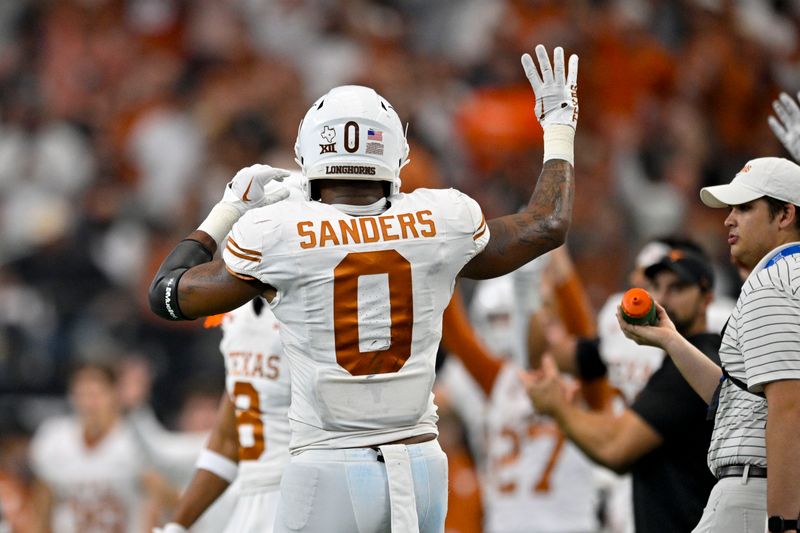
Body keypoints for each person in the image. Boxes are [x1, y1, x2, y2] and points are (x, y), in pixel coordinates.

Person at [148, 44, 579, 533]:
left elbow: (165, 294)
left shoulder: (277, 231)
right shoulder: (441, 218)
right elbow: (548, 224)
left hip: (328, 465)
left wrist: (225, 212)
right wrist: (558, 126)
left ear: (309, 153)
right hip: (421, 466)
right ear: (396, 152)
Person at [617, 157, 800, 533]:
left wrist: (784, 524)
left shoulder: (774, 283)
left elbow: (789, 405)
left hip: (756, 495)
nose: (728, 219)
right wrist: (670, 339)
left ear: (785, 214)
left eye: (745, 208)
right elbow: (740, 400)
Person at [525, 244, 721, 532]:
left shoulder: (695, 364)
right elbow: (544, 357)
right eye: (655, 286)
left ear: (706, 298)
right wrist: (540, 294)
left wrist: (557, 406)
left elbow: (616, 449)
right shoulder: (658, 356)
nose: (663, 297)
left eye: (678, 288)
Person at [28, 360, 166, 533]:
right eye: (81, 394)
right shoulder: (54, 438)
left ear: (115, 394)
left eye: (95, 394)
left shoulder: (134, 440)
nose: (89, 403)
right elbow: (42, 506)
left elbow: (159, 501)